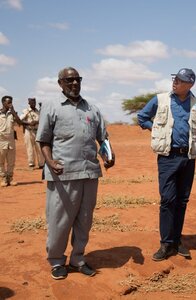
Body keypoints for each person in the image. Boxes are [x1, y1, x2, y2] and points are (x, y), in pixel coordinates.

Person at [36, 67, 115, 280]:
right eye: (69, 80)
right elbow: (43, 140)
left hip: (89, 173)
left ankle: (78, 258)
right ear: (60, 83)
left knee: (85, 219)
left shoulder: (92, 109)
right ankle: (56, 261)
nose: (74, 83)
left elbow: (103, 138)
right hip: (63, 172)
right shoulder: (52, 107)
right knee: (59, 220)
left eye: (77, 79)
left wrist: (108, 155)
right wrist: (50, 161)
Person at [137, 68, 196, 262]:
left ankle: (177, 240)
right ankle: (166, 243)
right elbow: (142, 117)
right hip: (167, 158)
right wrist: (155, 129)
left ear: (190, 84)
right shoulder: (161, 99)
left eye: (180, 80)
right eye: (175, 79)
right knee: (167, 200)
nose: (175, 82)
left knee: (182, 201)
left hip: (188, 159)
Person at [0, 95, 32, 187]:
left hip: (11, 141)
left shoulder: (12, 114)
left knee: (11, 161)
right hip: (1, 141)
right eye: (8, 102)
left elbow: (20, 123)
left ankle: (10, 178)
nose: (10, 104)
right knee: (1, 161)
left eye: (11, 102)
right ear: (3, 103)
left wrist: (13, 112)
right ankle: (3, 179)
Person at [20, 97, 44, 169]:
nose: (33, 103)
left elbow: (42, 120)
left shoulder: (38, 111)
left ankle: (41, 163)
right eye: (32, 102)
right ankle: (31, 163)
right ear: (29, 103)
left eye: (34, 102)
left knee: (39, 147)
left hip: (37, 131)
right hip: (29, 131)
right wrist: (29, 123)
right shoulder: (26, 111)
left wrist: (36, 122)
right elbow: (21, 120)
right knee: (30, 148)